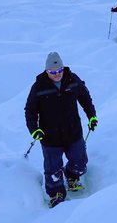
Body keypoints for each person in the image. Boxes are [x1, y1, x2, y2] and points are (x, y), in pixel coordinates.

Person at [24, 52, 98, 208]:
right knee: (53, 169)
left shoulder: (72, 80)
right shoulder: (39, 87)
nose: (57, 74)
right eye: (53, 72)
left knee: (80, 162)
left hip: (73, 132)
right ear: (46, 71)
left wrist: (92, 116)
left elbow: (85, 97)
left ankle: (72, 176)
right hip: (50, 136)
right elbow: (30, 111)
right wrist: (34, 130)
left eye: (59, 70)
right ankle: (56, 192)